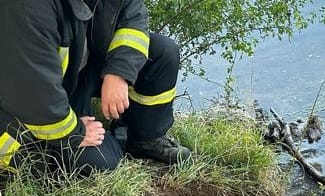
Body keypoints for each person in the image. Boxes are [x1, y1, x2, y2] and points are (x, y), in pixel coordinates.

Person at [0, 0, 190, 177]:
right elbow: (32, 93)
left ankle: (144, 139)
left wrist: (119, 72)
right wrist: (75, 133)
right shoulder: (25, 7)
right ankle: (46, 154)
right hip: (22, 97)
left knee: (163, 52)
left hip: (74, 73)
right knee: (100, 161)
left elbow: (133, 16)